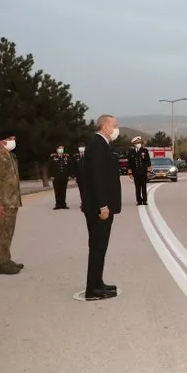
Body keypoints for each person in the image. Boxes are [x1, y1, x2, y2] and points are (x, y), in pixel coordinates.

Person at [80, 114, 122, 300]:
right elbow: (97, 179)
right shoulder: (97, 145)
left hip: (101, 206)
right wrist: (103, 205)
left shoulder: (102, 144)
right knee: (97, 247)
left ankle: (98, 283)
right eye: (115, 125)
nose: (116, 129)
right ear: (104, 126)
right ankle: (93, 290)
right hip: (99, 208)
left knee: (100, 247)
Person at [0, 132, 23, 275]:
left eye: (13, 138)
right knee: (2, 233)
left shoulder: (9, 156)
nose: (13, 141)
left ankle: (7, 259)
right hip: (4, 203)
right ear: (1, 141)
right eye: (10, 139)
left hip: (12, 201)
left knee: (8, 232)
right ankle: (1, 263)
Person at [127, 136, 151, 205]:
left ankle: (144, 200)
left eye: (140, 143)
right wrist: (130, 173)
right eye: (137, 143)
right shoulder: (131, 152)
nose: (139, 144)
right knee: (137, 188)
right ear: (134, 144)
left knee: (144, 187)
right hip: (136, 173)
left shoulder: (145, 151)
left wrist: (148, 171)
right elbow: (129, 163)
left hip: (143, 172)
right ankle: (139, 201)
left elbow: (148, 161)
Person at [49, 145, 70, 209]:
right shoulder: (53, 157)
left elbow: (69, 166)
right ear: (57, 149)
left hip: (64, 176)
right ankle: (58, 204)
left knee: (63, 191)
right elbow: (50, 166)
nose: (61, 149)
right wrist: (51, 175)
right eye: (60, 148)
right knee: (57, 190)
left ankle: (63, 204)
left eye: (62, 148)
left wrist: (69, 175)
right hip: (56, 177)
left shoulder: (66, 156)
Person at [72, 143, 86, 210]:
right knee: (81, 190)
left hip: (87, 177)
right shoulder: (76, 157)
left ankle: (87, 203)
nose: (81, 148)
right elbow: (74, 167)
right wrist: (74, 176)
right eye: (80, 147)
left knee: (87, 191)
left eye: (82, 147)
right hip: (79, 177)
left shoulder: (89, 155)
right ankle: (83, 203)